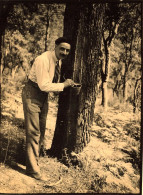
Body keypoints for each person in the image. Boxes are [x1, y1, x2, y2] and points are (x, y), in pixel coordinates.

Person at [22, 37, 74, 181]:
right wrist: (64, 85)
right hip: (32, 94)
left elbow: (48, 83)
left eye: (67, 50)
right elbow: (43, 85)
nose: (64, 52)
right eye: (62, 48)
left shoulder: (58, 60)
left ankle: (30, 161)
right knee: (33, 132)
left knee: (41, 131)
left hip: (42, 97)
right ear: (55, 46)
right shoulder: (43, 59)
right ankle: (32, 171)